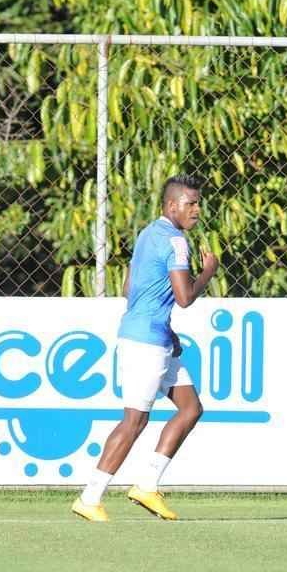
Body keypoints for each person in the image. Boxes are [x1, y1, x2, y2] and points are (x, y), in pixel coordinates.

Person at [72, 174, 218, 523]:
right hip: (146, 342)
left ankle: (147, 485)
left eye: (198, 202)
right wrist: (209, 271)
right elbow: (184, 298)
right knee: (134, 421)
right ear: (172, 206)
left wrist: (165, 329)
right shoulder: (176, 242)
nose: (197, 210)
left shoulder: (148, 233)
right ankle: (89, 498)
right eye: (191, 203)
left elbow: (129, 287)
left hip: (154, 336)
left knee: (190, 407)